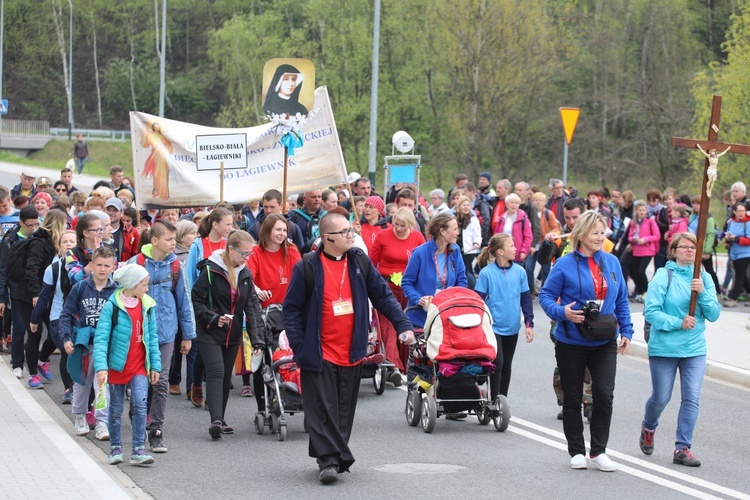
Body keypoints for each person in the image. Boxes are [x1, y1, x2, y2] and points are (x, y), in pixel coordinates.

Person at [283, 212, 413, 484]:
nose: (351, 234)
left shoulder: (359, 261)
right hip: (319, 352)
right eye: (344, 232)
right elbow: (291, 310)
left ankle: (335, 454)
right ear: (328, 238)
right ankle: (328, 461)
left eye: (351, 230)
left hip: (352, 351)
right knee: (322, 408)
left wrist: (403, 325)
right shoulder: (307, 266)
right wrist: (299, 345)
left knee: (343, 408)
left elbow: (382, 296)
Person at [538, 211, 633, 472]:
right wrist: (562, 313)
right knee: (573, 396)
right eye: (595, 233)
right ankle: (577, 451)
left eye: (603, 233)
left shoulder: (612, 262)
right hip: (571, 341)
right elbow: (545, 296)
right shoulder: (565, 264)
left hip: (604, 340)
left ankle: (599, 451)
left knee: (604, 394)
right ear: (580, 234)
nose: (600, 237)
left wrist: (627, 331)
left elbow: (622, 300)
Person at [641, 233, 720, 467]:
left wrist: (702, 293)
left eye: (693, 247)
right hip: (665, 347)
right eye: (683, 247)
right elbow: (651, 312)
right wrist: (679, 322)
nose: (689, 250)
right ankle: (648, 427)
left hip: (694, 348)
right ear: (673, 251)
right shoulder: (662, 276)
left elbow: (714, 314)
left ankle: (682, 448)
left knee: (691, 398)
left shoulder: (704, 279)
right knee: (661, 397)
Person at [128, 219, 195, 453]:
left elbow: (184, 301)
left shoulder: (176, 265)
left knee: (161, 380)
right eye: (168, 239)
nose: (172, 243)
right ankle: (138, 418)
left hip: (166, 333)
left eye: (174, 239)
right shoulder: (135, 264)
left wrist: (188, 335)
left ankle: (156, 429)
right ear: (154, 240)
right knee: (140, 379)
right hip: (138, 334)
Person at [191, 230, 264, 440]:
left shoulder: (245, 273)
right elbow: (196, 300)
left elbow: (252, 307)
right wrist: (214, 318)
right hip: (209, 332)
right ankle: (215, 421)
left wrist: (256, 338)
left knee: (224, 376)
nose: (246, 258)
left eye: (250, 254)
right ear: (231, 250)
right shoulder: (210, 271)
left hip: (232, 334)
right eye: (244, 253)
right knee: (215, 371)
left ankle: (220, 420)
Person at [94, 264, 161, 466]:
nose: (147, 289)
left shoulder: (147, 306)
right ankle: (115, 449)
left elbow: (152, 339)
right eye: (144, 285)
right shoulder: (111, 306)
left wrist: (155, 366)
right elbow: (101, 339)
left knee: (141, 405)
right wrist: (101, 367)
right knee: (115, 409)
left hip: (140, 366)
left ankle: (138, 450)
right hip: (116, 367)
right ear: (132, 285)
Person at [59, 246, 118, 440]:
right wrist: (66, 338)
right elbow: (66, 314)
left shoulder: (116, 290)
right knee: (81, 381)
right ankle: (79, 416)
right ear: (90, 265)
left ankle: (101, 421)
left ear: (113, 267)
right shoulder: (81, 287)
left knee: (102, 383)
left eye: (106, 265)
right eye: (98, 264)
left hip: (104, 344)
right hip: (83, 343)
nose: (102, 269)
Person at [246, 214, 301, 405]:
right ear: (267, 231)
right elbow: (249, 278)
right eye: (278, 229)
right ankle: (263, 406)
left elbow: (300, 277)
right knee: (264, 359)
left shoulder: (292, 251)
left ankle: (293, 394)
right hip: (263, 313)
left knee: (289, 356)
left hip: (289, 312)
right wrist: (258, 291)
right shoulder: (255, 252)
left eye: (284, 230)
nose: (282, 233)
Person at [475, 234, 534, 399]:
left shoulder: (520, 272)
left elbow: (526, 300)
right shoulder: (486, 273)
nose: (515, 248)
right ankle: (494, 399)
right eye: (511, 246)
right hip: (493, 327)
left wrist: (529, 324)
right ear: (500, 251)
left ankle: (503, 401)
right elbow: (478, 300)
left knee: (507, 365)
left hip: (512, 326)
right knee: (498, 362)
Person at [13, 209, 67, 389]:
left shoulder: (55, 244)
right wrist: (36, 293)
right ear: (58, 225)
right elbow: (31, 270)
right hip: (28, 296)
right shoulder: (39, 243)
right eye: (64, 224)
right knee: (34, 334)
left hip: (45, 296)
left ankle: (42, 360)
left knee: (55, 332)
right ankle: (33, 376)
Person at [370, 208, 425, 380]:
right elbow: (371, 263)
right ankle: (393, 364)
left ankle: (405, 363)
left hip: (408, 289)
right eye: (395, 224)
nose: (398, 228)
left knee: (407, 323)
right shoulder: (383, 236)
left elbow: (422, 263)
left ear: (410, 225)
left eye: (402, 225)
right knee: (389, 325)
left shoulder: (417, 237)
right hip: (387, 286)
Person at [30, 229, 77, 404]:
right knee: (66, 350)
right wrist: (35, 318)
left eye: (72, 241)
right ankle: (69, 388)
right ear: (59, 246)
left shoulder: (86, 267)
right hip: (58, 317)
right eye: (65, 242)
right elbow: (44, 296)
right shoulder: (53, 268)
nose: (69, 245)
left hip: (80, 317)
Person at [402, 213, 468, 328]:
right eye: (454, 229)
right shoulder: (420, 253)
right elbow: (407, 283)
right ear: (442, 232)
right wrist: (419, 299)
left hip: (447, 316)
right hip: (422, 318)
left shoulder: (455, 251)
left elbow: (462, 281)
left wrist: (454, 295)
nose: (457, 233)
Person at [2, 206, 40, 379]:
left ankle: (34, 361)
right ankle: (17, 363)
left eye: (35, 224)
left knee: (35, 327)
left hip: (36, 289)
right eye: (29, 225)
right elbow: (3, 268)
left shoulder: (40, 237)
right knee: (19, 326)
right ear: (20, 223)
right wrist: (2, 295)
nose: (33, 228)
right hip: (17, 288)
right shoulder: (10, 239)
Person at [168, 220, 198, 398]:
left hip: (193, 303)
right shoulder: (174, 256)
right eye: (191, 233)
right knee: (177, 344)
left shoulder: (195, 252)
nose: (194, 237)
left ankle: (192, 385)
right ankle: (174, 379)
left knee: (192, 343)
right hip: (176, 303)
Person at [625, 201, 659, 303]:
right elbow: (629, 236)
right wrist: (633, 240)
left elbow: (656, 236)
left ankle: (645, 291)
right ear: (636, 211)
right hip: (636, 250)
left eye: (644, 210)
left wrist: (645, 239)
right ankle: (639, 292)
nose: (642, 212)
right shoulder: (633, 222)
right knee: (635, 272)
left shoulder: (650, 221)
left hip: (647, 250)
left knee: (641, 271)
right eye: (640, 210)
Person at [688, 196, 720, 292]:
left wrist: (707, 251)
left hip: (703, 248)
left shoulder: (708, 218)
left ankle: (717, 290)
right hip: (693, 246)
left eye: (697, 204)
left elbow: (710, 235)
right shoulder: (693, 216)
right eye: (693, 204)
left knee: (709, 270)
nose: (695, 206)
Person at [721, 203, 750, 308]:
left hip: (746, 253)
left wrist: (736, 238)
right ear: (734, 212)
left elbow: (749, 240)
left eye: (743, 210)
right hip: (735, 253)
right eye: (739, 211)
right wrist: (728, 239)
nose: (742, 213)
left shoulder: (748, 222)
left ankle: (733, 298)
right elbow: (726, 232)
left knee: (739, 276)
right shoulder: (731, 222)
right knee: (744, 277)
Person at [494, 193, 533, 266]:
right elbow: (496, 235)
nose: (514, 205)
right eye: (512, 203)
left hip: (517, 254)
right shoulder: (502, 218)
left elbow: (528, 237)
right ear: (507, 204)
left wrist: (524, 251)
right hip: (502, 253)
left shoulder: (523, 218)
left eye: (516, 203)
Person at [140, 121, 175, 200]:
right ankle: (156, 192)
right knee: (156, 175)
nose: (156, 128)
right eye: (155, 126)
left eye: (157, 126)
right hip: (155, 157)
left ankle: (164, 194)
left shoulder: (163, 137)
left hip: (163, 158)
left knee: (164, 176)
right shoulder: (150, 135)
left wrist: (165, 147)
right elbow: (145, 145)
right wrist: (145, 135)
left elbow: (170, 148)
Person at [455, 195, 482, 283]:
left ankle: (473, 289)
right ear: (459, 207)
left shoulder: (473, 220)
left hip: (469, 250)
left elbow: (477, 234)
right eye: (464, 205)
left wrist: (476, 243)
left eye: (468, 205)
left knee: (464, 271)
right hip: (457, 248)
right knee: (467, 271)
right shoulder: (455, 219)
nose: (466, 207)